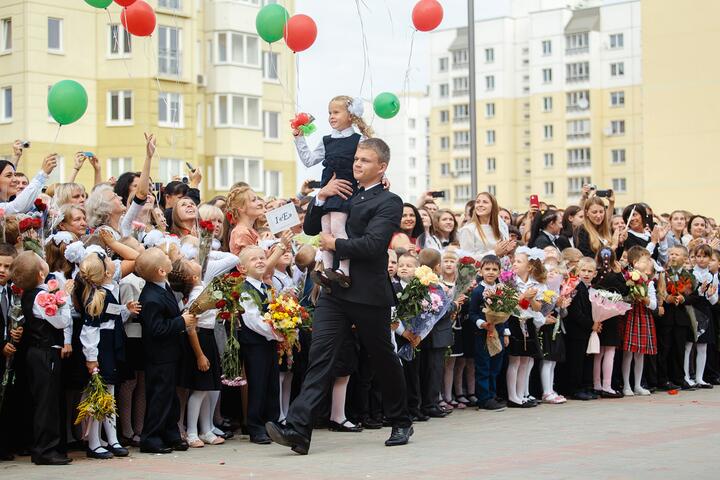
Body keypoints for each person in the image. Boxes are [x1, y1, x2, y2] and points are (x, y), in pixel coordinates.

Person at [266, 138, 413, 454]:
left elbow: (374, 246)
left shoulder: (389, 201)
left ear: (382, 167)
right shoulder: (343, 190)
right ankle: (298, 430)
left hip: (367, 293)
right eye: (357, 158)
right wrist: (321, 195)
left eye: (365, 160)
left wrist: (335, 245)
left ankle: (401, 419)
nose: (357, 163)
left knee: (382, 358)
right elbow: (309, 224)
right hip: (332, 290)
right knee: (321, 357)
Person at [293, 96, 373, 289]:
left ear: (351, 116)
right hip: (328, 193)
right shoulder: (326, 140)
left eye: (336, 112)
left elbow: (371, 162)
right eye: (329, 113)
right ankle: (328, 270)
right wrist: (299, 137)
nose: (331, 116)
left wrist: (381, 177)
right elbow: (309, 160)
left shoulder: (359, 140)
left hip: (346, 191)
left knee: (338, 229)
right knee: (325, 231)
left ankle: (343, 270)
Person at [11, 251, 72, 465]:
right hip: (44, 352)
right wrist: (63, 299)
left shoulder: (34, 293)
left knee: (47, 401)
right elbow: (60, 322)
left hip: (40, 352)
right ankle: (45, 450)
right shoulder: (40, 297)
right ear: (40, 273)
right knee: (46, 403)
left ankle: (49, 447)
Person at [78, 250, 139, 459]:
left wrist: (126, 309)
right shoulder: (96, 297)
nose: (113, 264)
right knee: (99, 396)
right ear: (104, 272)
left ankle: (112, 438)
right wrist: (91, 357)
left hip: (112, 346)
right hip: (102, 350)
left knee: (109, 394)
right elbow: (90, 330)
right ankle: (94, 442)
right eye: (108, 262)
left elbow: (113, 314)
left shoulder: (108, 291)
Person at [135, 248, 197, 454]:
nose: (172, 260)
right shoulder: (151, 297)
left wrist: (181, 315)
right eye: (168, 259)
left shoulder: (163, 287)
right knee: (159, 396)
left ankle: (170, 433)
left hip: (170, 354)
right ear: (162, 271)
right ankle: (150, 437)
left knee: (170, 396)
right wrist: (181, 321)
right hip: (159, 356)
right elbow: (157, 329)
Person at [236, 246, 282, 444]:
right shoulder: (245, 290)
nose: (261, 261)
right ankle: (255, 426)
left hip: (269, 343)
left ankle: (271, 422)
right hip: (255, 343)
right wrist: (276, 333)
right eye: (254, 259)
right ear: (242, 268)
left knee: (272, 383)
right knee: (258, 384)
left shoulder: (267, 288)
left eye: (262, 257)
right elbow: (252, 320)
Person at [469, 255, 509, 411]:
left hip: (497, 333)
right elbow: (472, 313)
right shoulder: (478, 291)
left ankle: (492, 395)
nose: (491, 272)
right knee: (483, 365)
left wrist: (505, 332)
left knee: (495, 366)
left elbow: (505, 313)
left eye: (494, 269)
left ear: (499, 272)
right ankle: (484, 398)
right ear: (480, 271)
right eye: (487, 269)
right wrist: (482, 323)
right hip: (483, 333)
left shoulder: (501, 290)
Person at [592, 247, 629, 397]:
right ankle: (606, 385)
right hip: (611, 315)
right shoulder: (614, 275)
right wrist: (620, 273)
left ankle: (597, 384)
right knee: (609, 351)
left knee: (599, 352)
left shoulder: (596, 274)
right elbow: (625, 291)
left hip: (598, 315)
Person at [621, 247, 658, 396]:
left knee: (640, 353)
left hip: (643, 316)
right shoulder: (627, 278)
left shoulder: (649, 283)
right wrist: (632, 296)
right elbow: (623, 296)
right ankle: (626, 385)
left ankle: (637, 384)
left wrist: (646, 299)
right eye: (646, 260)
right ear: (635, 263)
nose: (649, 262)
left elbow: (654, 305)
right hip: (630, 315)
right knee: (628, 352)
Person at [563, 257, 598, 401]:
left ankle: (585, 386)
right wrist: (591, 324)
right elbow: (575, 313)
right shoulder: (576, 287)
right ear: (577, 271)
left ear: (595, 273)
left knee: (585, 359)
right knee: (576, 361)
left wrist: (597, 321)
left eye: (590, 271)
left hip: (586, 331)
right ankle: (575, 388)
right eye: (583, 270)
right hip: (576, 331)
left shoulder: (591, 289)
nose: (586, 273)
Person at [684, 244, 718, 388]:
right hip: (692, 310)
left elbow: (714, 300)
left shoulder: (712, 276)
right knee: (689, 345)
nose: (701, 259)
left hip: (705, 310)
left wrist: (710, 295)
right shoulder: (690, 274)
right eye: (698, 256)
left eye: (705, 256)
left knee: (703, 346)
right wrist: (699, 291)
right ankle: (685, 376)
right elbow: (687, 295)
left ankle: (699, 377)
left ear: (710, 258)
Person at [458, 192, 514, 260]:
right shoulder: (468, 229)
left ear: (493, 206)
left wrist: (505, 251)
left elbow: (499, 256)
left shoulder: (499, 229)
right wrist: (494, 253)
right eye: (478, 202)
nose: (480, 205)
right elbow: (466, 260)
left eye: (485, 202)